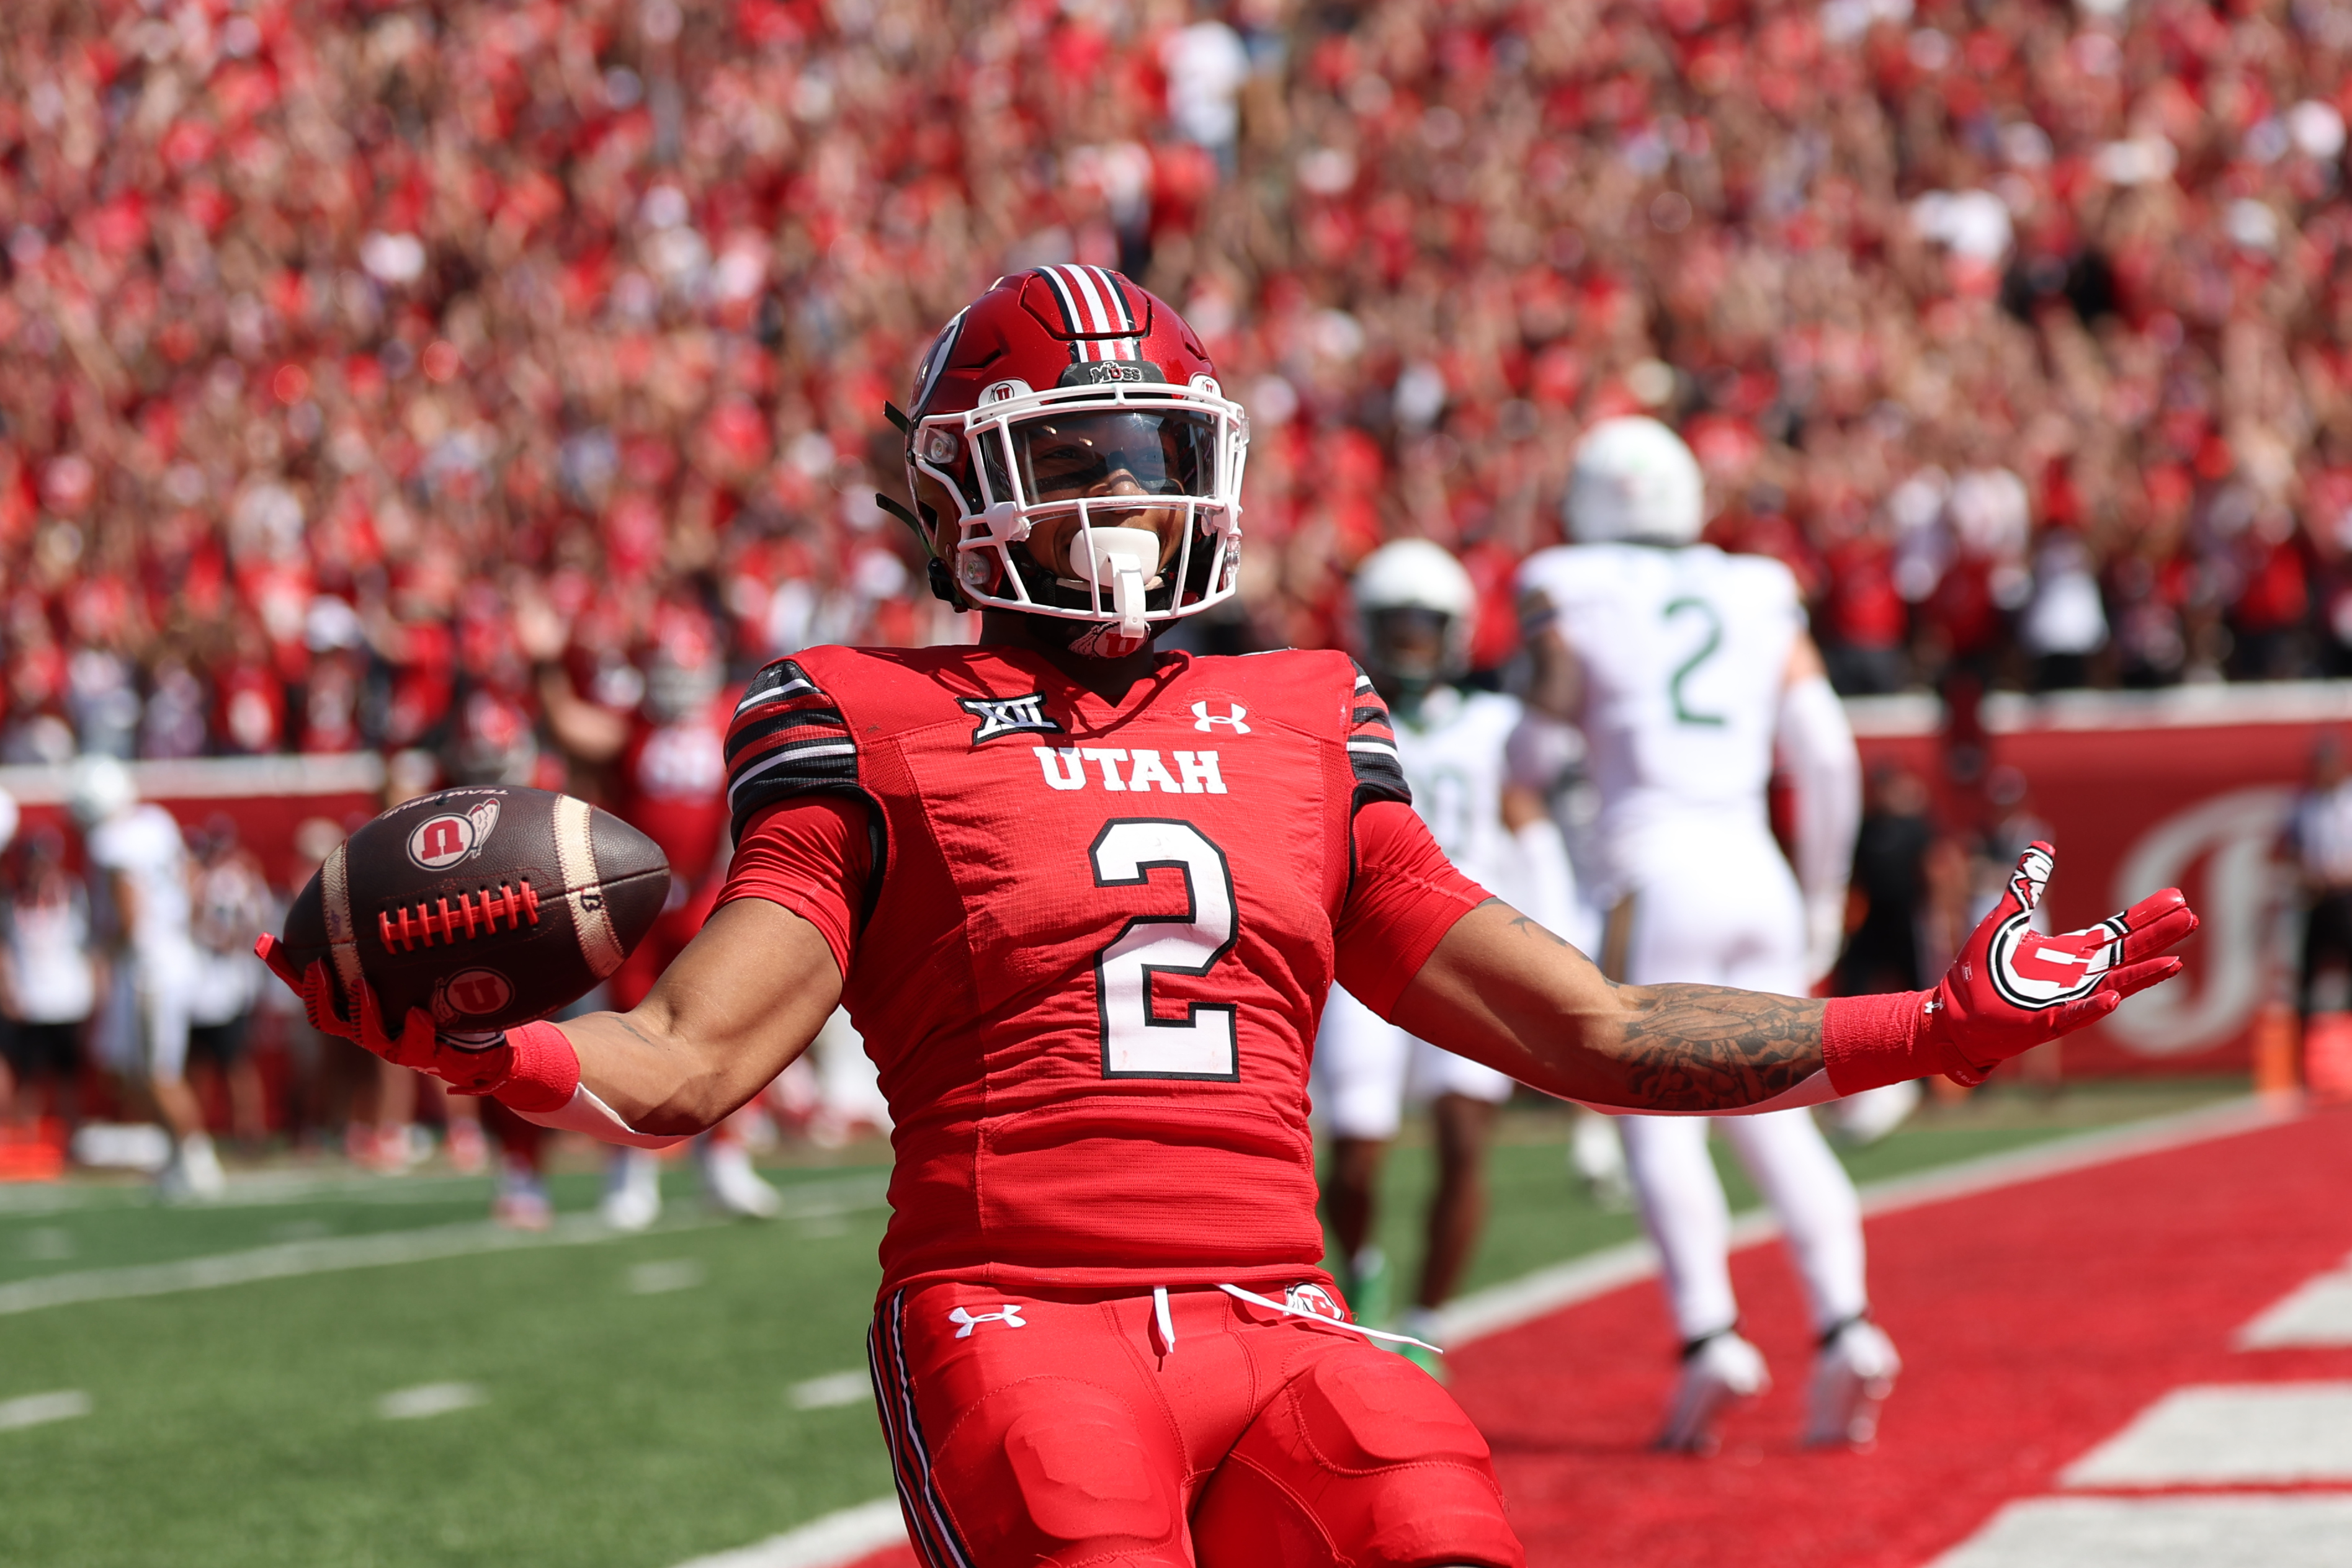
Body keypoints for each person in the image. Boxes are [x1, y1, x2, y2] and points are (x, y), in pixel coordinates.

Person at [264, 270, 2194, 1568]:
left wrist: (1925, 1027)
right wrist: (497, 1045)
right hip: (1017, 1314)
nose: (1124, 496)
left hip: (1286, 1312)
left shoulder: (1298, 711)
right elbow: (691, 1059)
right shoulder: (859, 713)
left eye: (1151, 453)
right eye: (1075, 457)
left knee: (1442, 1521)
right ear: (953, 493)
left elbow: (1588, 1028)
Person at [1518, 416, 1915, 1451]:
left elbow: (1539, 734)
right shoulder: (1758, 586)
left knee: (1654, 1114)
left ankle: (1710, 1336)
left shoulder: (1570, 580)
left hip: (1658, 869)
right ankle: (1846, 1323)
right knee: (1779, 1112)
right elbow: (1825, 753)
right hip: (1759, 868)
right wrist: (1824, 891)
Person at [1315, 539, 1579, 1371]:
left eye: (1423, 629)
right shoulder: (1335, 720)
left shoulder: (1493, 727)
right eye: (1394, 628)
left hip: (1468, 953)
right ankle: (1362, 1269)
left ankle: (1427, 1321)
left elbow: (1531, 829)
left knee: (1464, 1136)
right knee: (1354, 1149)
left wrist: (1557, 944)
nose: (1408, 646)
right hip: (1361, 955)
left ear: (1456, 632)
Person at [527, 615, 784, 1229]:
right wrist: (544, 661)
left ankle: (722, 1160)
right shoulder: (635, 725)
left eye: (683, 670)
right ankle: (629, 1171)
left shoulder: (731, 716)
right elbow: (568, 724)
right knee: (630, 1032)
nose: (674, 683)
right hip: (638, 902)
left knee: (725, 1028)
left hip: (706, 894)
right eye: (665, 670)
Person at [71, 755, 220, 1200]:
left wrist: (102, 950)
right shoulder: (156, 821)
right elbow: (191, 878)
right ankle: (177, 1157)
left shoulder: (110, 841)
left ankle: (196, 1159)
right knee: (140, 1069)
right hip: (174, 953)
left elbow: (130, 915)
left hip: (147, 963)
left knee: (154, 1072)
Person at [1, 814, 97, 1139]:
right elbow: (5, 951)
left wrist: (96, 988)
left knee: (68, 1077)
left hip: (69, 999)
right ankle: (24, 1138)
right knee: (30, 1077)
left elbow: (91, 946)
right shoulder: (12, 900)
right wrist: (8, 991)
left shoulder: (73, 894)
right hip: (32, 1002)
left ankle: (73, 1139)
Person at [184, 817, 272, 1150]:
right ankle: (197, 1132)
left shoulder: (238, 880)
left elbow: (255, 926)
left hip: (228, 984)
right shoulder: (202, 881)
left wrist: (227, 938)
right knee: (198, 1064)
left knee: (236, 1062)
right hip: (200, 986)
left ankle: (248, 1131)